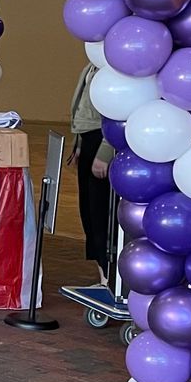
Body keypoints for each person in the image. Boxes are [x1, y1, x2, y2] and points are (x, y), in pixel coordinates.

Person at [68, 62, 114, 285]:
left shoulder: (113, 69)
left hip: (101, 140)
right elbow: (83, 106)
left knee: (100, 211)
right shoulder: (91, 65)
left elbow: (117, 114)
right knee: (88, 210)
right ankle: (102, 275)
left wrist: (105, 152)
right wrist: (78, 144)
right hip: (88, 139)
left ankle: (109, 275)